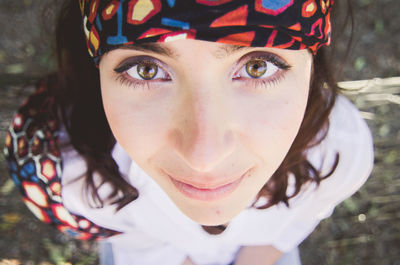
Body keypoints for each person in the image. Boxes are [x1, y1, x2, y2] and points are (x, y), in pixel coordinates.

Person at [4, 0, 374, 264]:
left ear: (312, 66)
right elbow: (139, 242)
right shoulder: (74, 173)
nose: (204, 157)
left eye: (258, 66)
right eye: (146, 69)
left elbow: (294, 225)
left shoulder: (340, 153)